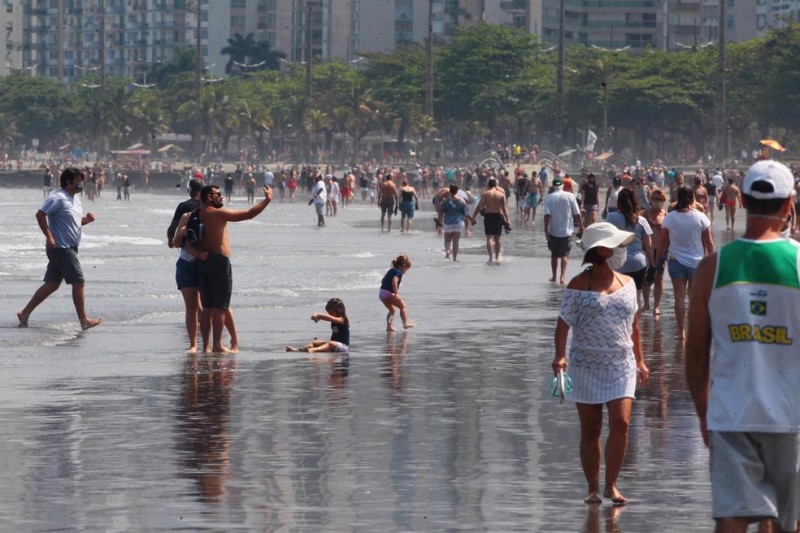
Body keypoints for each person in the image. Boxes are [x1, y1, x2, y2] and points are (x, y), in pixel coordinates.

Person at [686, 160, 800, 533]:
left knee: (732, 518)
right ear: (788, 206)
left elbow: (696, 353)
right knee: (791, 521)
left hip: (731, 414)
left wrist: (705, 413)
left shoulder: (712, 268)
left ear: (744, 201)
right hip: (791, 417)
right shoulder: (798, 263)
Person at [551, 222, 650, 506]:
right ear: (601, 250)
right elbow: (563, 324)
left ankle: (612, 485)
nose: (622, 250)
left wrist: (641, 361)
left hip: (622, 363)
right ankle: (593, 487)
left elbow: (634, 326)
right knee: (591, 430)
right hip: (586, 365)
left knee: (621, 424)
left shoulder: (628, 283)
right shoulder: (579, 285)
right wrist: (560, 355)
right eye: (617, 245)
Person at [17, 167, 102, 330]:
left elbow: (74, 222)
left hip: (68, 247)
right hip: (61, 248)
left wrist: (86, 220)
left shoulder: (75, 199)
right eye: (78, 180)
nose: (81, 184)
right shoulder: (58, 197)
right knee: (79, 281)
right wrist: (49, 237)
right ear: (68, 182)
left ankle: (25, 313)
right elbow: (40, 214)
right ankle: (84, 320)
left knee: (53, 283)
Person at [196, 184, 272, 353]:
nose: (221, 197)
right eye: (218, 194)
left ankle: (206, 347)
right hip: (219, 262)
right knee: (220, 307)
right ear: (209, 197)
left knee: (207, 307)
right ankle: (217, 345)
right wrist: (267, 201)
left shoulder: (196, 215)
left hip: (203, 262)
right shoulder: (217, 214)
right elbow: (248, 214)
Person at [168, 178, 239, 353]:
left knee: (216, 305)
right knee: (199, 307)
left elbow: (173, 235)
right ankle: (198, 344)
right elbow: (178, 239)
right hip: (191, 263)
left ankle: (227, 342)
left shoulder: (210, 212)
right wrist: (179, 236)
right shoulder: (188, 213)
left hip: (204, 264)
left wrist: (172, 239)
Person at [659, 185, 715, 341]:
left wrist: (658, 263)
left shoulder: (670, 217)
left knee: (679, 297)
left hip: (675, 261)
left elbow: (663, 242)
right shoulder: (701, 217)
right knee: (695, 298)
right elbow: (709, 243)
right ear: (692, 198)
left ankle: (681, 332)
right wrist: (714, 263)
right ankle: (695, 330)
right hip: (696, 263)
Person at [543, 176, 584, 284]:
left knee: (554, 255)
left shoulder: (549, 197)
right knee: (565, 254)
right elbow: (577, 213)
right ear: (562, 185)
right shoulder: (570, 196)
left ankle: (554, 276)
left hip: (553, 231)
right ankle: (562, 277)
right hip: (567, 231)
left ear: (553, 186)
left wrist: (546, 230)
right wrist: (581, 226)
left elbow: (547, 215)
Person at [470, 178, 512, 264]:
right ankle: (497, 257)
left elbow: (479, 207)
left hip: (489, 216)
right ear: (496, 186)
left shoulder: (486, 194)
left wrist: (473, 217)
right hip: (498, 216)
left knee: (489, 237)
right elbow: (504, 209)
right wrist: (508, 220)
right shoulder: (501, 195)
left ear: (489, 185)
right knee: (497, 238)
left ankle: (490, 258)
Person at [286, 298, 350, 353]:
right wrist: (315, 316)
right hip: (334, 344)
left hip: (343, 347)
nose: (329, 315)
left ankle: (313, 350)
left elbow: (331, 318)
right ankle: (299, 350)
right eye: (328, 313)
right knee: (315, 342)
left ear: (339, 310)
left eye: (331, 313)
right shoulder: (335, 320)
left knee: (330, 343)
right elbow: (330, 318)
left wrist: (318, 315)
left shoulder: (343, 320)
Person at [642, 188, 667, 316]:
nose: (658, 202)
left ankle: (656, 306)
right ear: (651, 199)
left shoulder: (667, 215)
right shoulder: (643, 214)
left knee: (659, 278)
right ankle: (646, 303)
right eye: (655, 199)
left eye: (660, 199)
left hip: (661, 250)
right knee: (646, 276)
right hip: (646, 249)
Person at [379, 255, 415, 331]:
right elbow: (394, 281)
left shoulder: (391, 270)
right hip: (388, 293)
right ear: (404, 265)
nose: (406, 271)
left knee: (392, 310)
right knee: (403, 306)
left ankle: (389, 327)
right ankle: (405, 323)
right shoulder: (398, 272)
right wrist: (396, 293)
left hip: (381, 293)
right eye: (407, 269)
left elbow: (382, 280)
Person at [440, 184, 469, 261]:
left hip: (448, 222)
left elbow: (441, 212)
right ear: (457, 191)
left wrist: (439, 224)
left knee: (447, 240)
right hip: (459, 222)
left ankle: (447, 253)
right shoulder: (462, 200)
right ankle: (455, 259)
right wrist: (468, 226)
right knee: (456, 242)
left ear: (450, 190)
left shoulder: (446, 201)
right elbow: (466, 213)